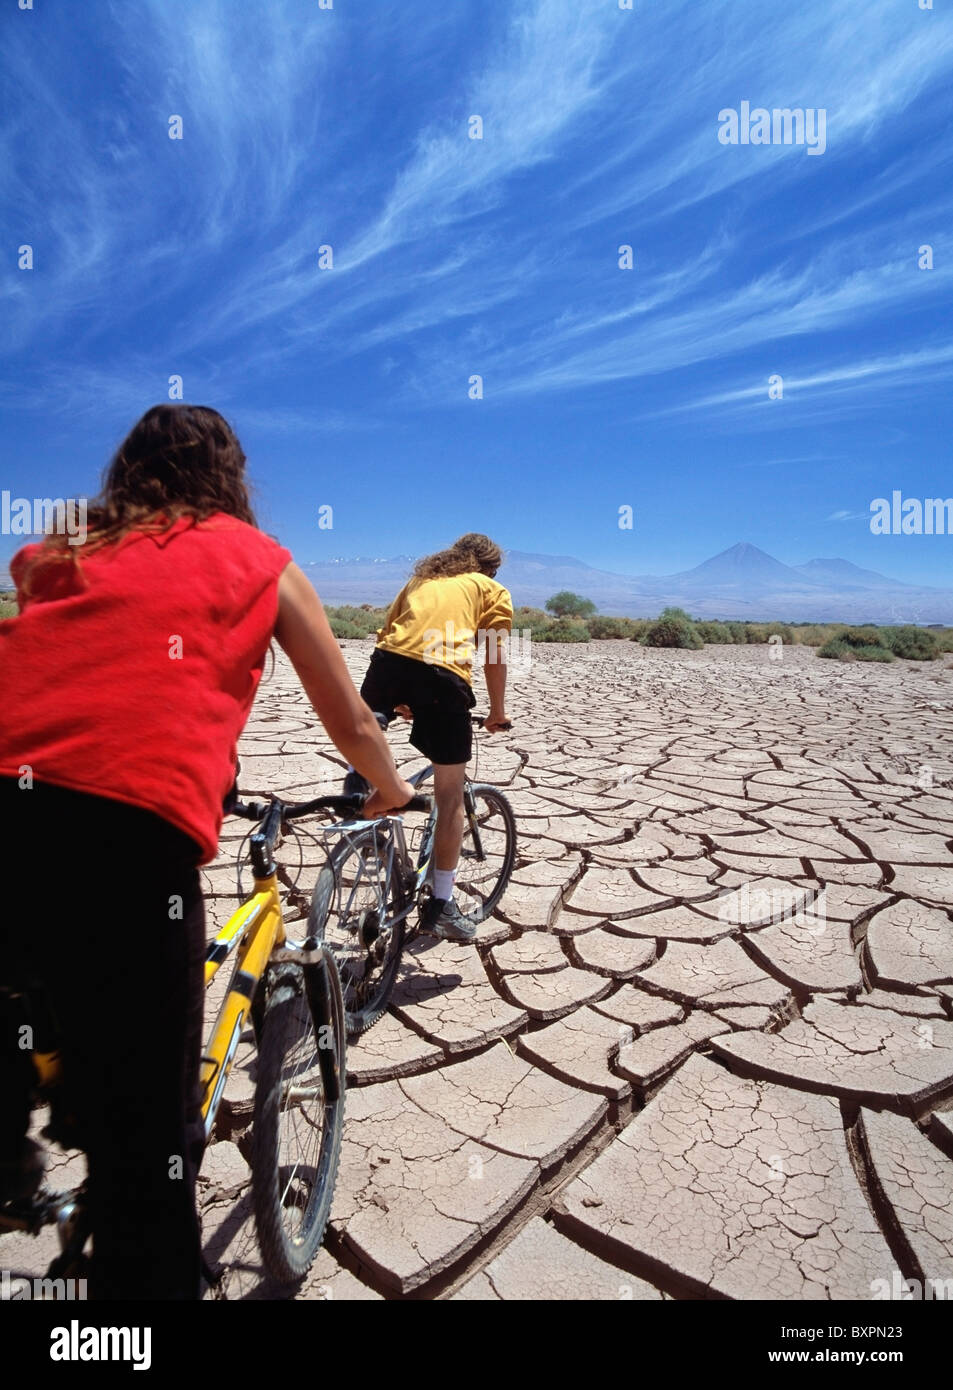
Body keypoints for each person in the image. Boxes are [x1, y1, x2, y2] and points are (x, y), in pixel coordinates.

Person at [0, 403, 414, 1300]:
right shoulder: (261, 561)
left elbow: (74, 670)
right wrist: (390, 791)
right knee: (147, 1155)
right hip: (123, 841)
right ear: (231, 477)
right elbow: (348, 718)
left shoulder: (59, 552)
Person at [346, 533, 513, 943]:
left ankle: (359, 782)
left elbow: (391, 636)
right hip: (442, 677)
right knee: (449, 793)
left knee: (375, 723)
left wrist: (402, 697)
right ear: (489, 568)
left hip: (385, 668)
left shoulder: (419, 580)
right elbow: (493, 654)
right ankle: (441, 903)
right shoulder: (491, 589)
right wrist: (496, 711)